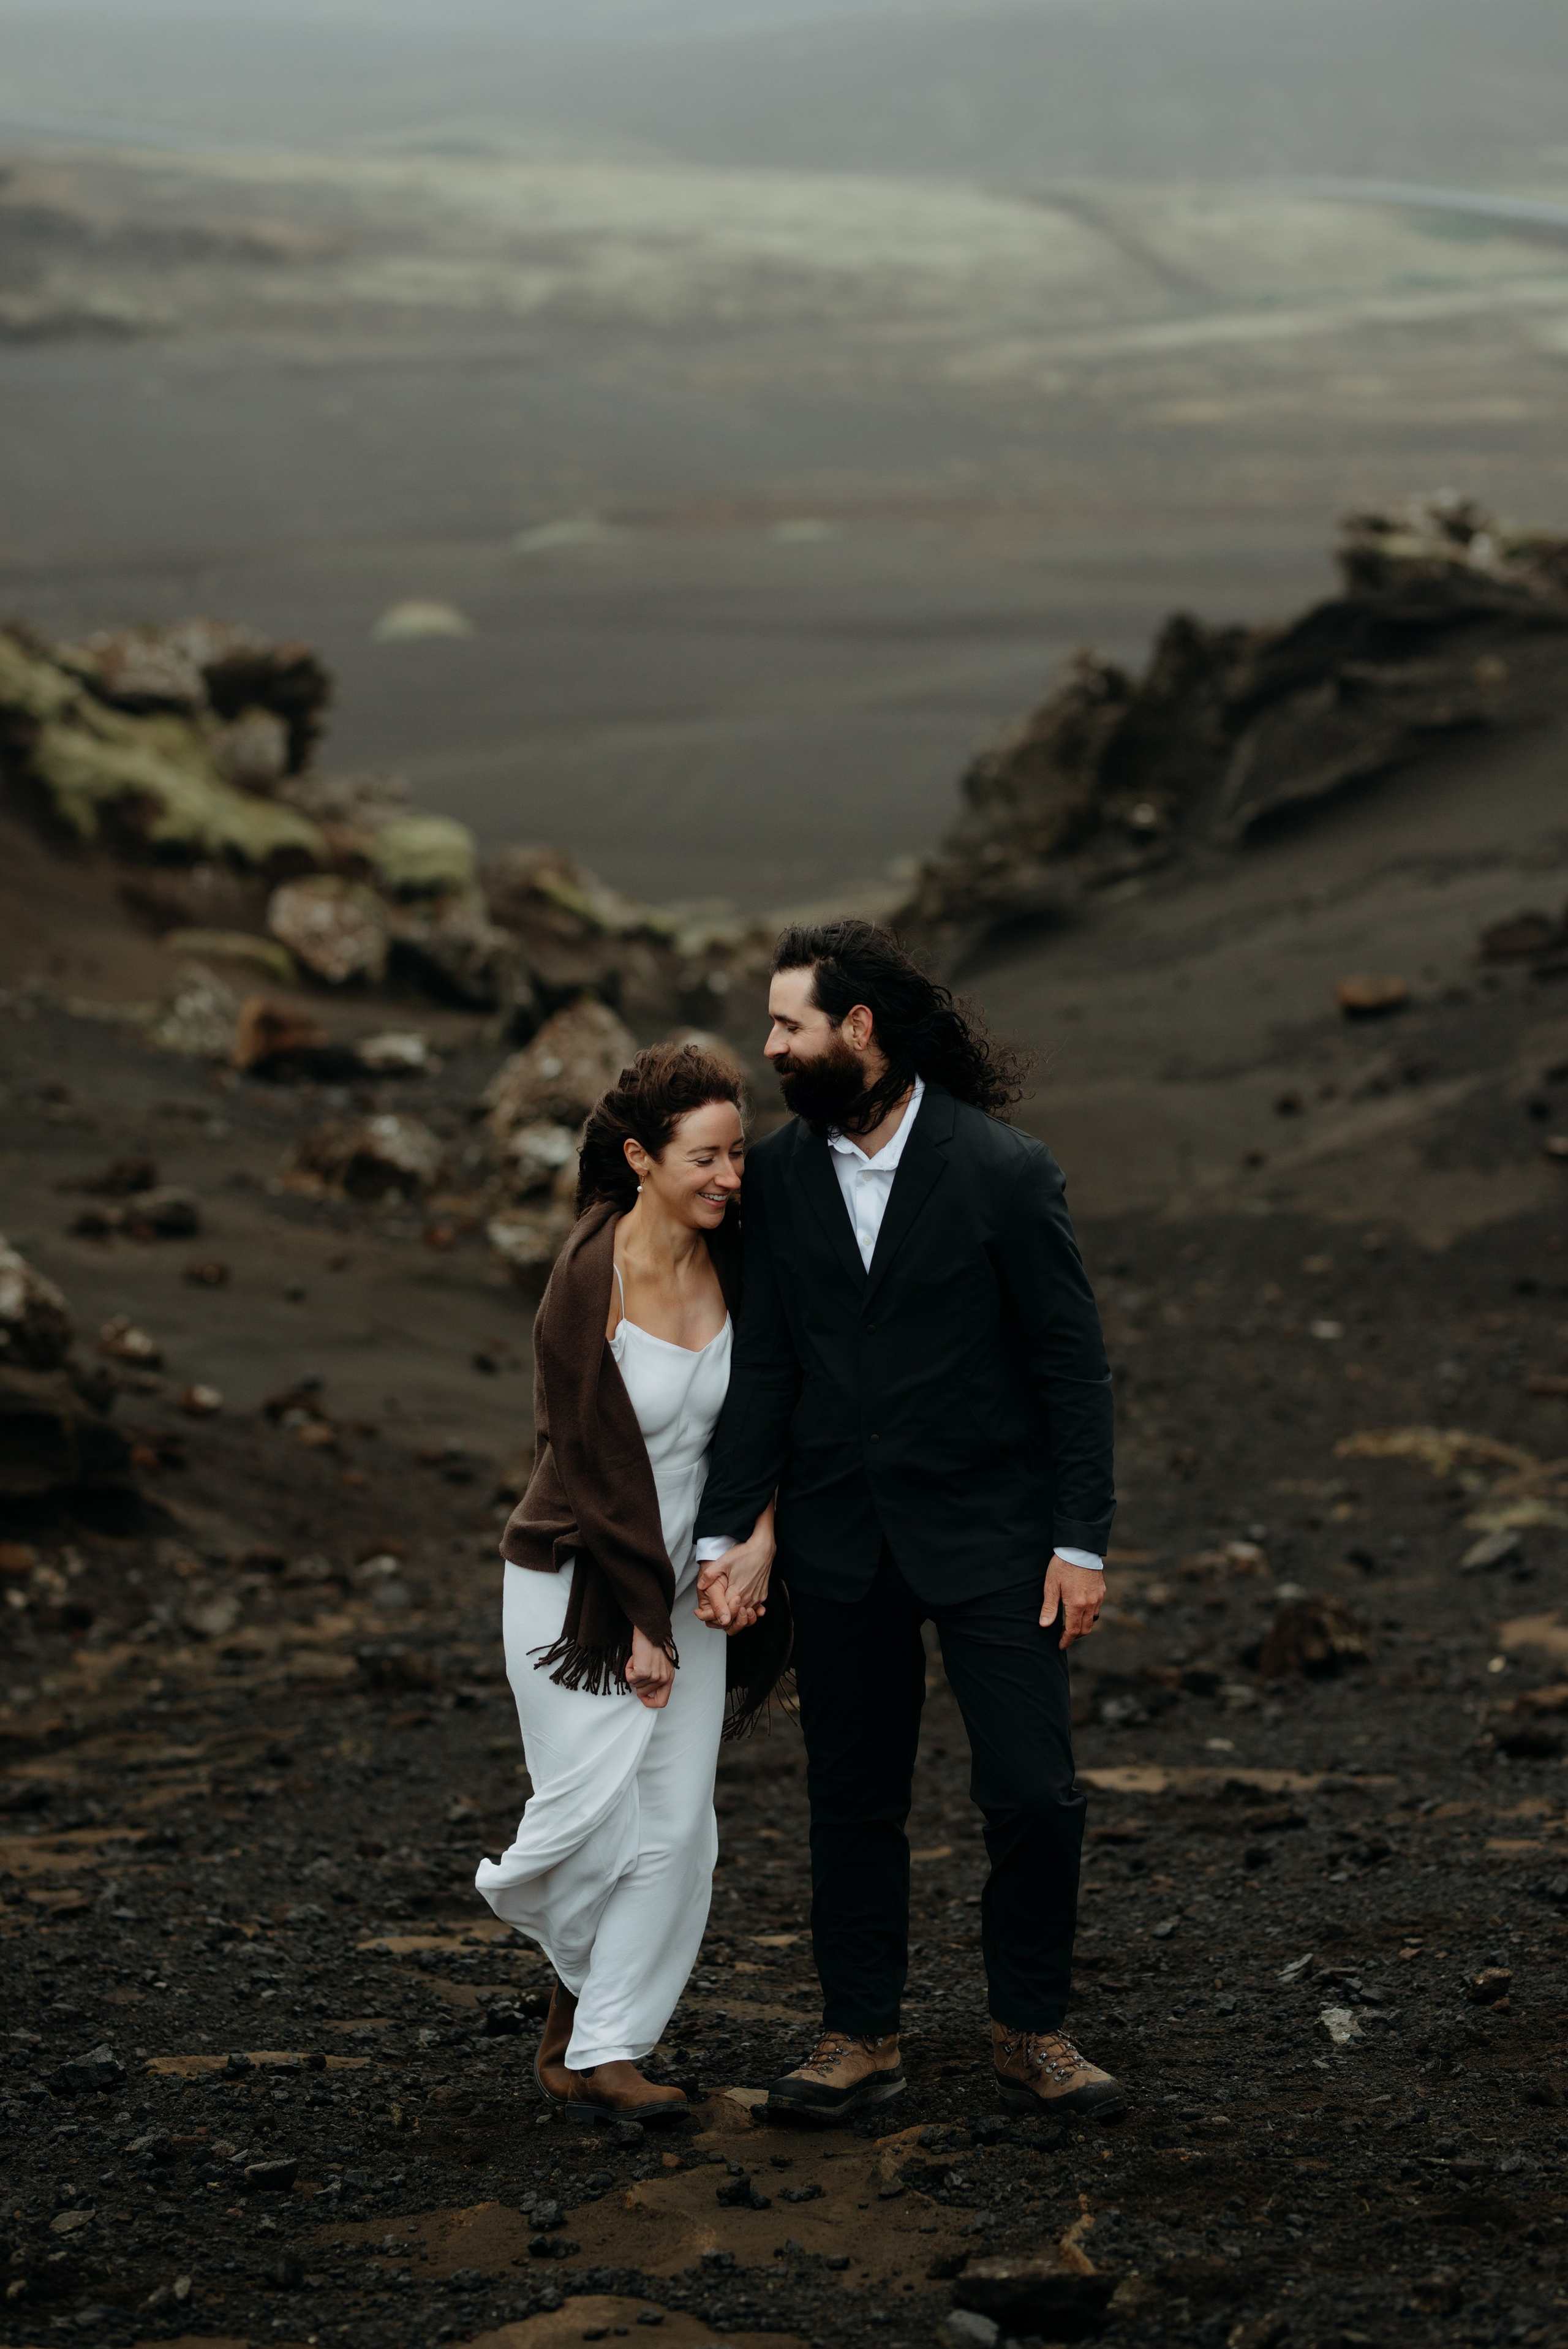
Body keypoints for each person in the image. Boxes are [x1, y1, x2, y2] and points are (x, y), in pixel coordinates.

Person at [695, 920, 1123, 2124]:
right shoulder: (776, 1178)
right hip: (838, 1536)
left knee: (1034, 1791)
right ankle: (857, 2034)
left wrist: (1078, 1539)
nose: (770, 1046)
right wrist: (736, 1529)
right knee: (851, 1796)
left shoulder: (1001, 1169)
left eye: (788, 1024)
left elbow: (1070, 1369)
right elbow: (766, 1364)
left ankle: (1030, 2028)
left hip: (995, 1537)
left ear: (858, 1030)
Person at [476, 1042, 786, 2124]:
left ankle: (603, 2046)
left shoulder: (740, 1256)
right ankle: (575, 2002)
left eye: (738, 1154)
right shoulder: (586, 1280)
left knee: (679, 1828)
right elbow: (591, 1466)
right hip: (578, 1586)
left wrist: (756, 1541)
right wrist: (639, 1620)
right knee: (586, 1825)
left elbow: (772, 1416)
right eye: (706, 1157)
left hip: (692, 1590)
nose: (730, 1177)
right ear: (640, 1159)